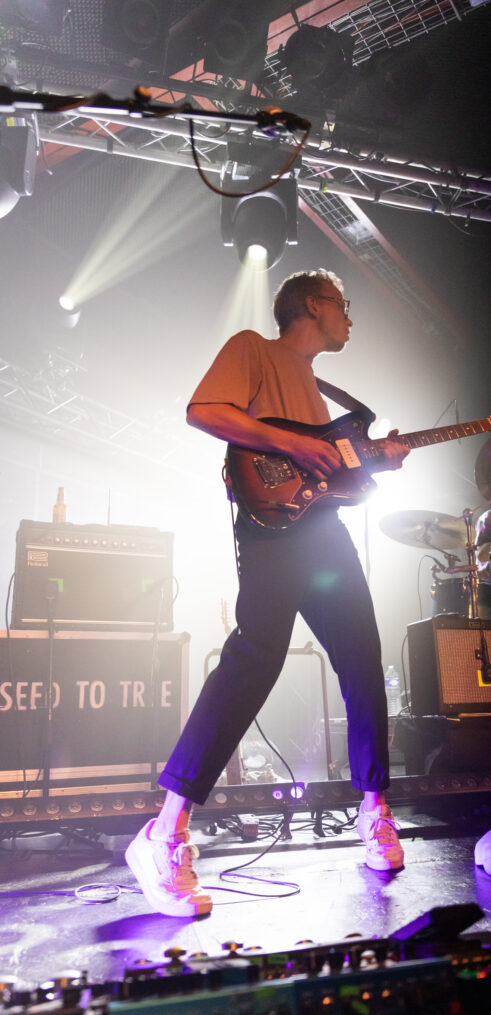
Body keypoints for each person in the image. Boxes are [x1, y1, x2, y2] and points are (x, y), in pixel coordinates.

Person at [125, 269, 410, 917]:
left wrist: (375, 459)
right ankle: (163, 833)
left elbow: (329, 471)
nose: (349, 319)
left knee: (364, 661)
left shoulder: (317, 384)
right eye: (343, 307)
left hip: (324, 530)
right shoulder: (254, 347)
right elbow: (204, 411)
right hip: (271, 528)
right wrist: (285, 442)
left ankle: (374, 811)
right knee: (257, 654)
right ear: (313, 305)